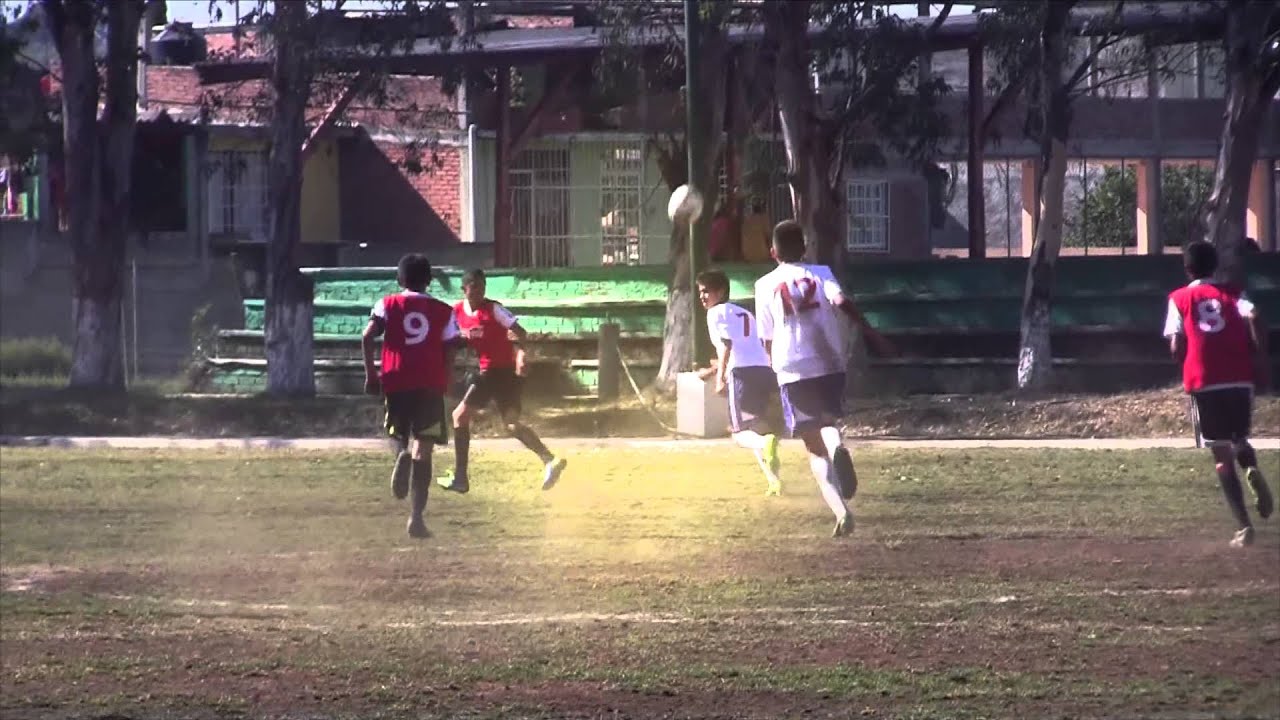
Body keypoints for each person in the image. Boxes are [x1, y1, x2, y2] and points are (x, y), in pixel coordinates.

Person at [754, 220, 896, 537]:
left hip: (791, 365)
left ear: (773, 251)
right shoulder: (821, 273)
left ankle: (842, 513)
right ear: (804, 248)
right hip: (829, 359)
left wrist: (772, 363)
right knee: (829, 422)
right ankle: (839, 448)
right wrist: (870, 332)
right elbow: (841, 301)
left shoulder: (764, 285)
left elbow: (766, 336)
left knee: (811, 445)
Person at [1164, 240, 1272, 548]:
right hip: (1239, 378)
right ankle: (1250, 465)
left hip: (1204, 379)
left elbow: (1176, 344)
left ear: (1187, 269)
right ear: (1215, 267)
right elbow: (1254, 317)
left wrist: (1181, 355)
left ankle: (1244, 528)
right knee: (1238, 438)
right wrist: (1259, 356)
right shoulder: (1233, 293)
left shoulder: (1180, 298)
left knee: (1220, 454)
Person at [438, 269, 567, 495]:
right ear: (464, 290)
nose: (479, 293)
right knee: (511, 424)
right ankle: (550, 460)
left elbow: (519, 331)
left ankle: (460, 477)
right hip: (495, 373)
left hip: (497, 372)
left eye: (482, 288)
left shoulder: (493, 309)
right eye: (474, 288)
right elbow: (451, 341)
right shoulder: (456, 312)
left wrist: (521, 354)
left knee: (459, 416)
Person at [362, 253, 460, 539]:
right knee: (425, 450)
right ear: (429, 281)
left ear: (399, 279)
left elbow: (368, 336)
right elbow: (451, 350)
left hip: (396, 379)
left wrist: (371, 374)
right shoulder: (444, 310)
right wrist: (449, 381)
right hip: (430, 383)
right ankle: (416, 518)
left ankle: (400, 452)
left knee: (397, 432)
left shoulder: (387, 304)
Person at [695, 269, 782, 496]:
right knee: (754, 427)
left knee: (739, 433)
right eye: (700, 292)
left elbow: (726, 346)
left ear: (721, 291)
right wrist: (713, 370)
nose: (702, 297)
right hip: (762, 370)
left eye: (706, 291)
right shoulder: (744, 313)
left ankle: (767, 445)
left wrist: (720, 377)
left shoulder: (715, 313)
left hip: (742, 374)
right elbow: (747, 347)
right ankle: (774, 481)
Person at [740, 196, 773, 264]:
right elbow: (768, 237)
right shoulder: (764, 219)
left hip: (747, 255)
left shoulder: (746, 220)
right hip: (761, 254)